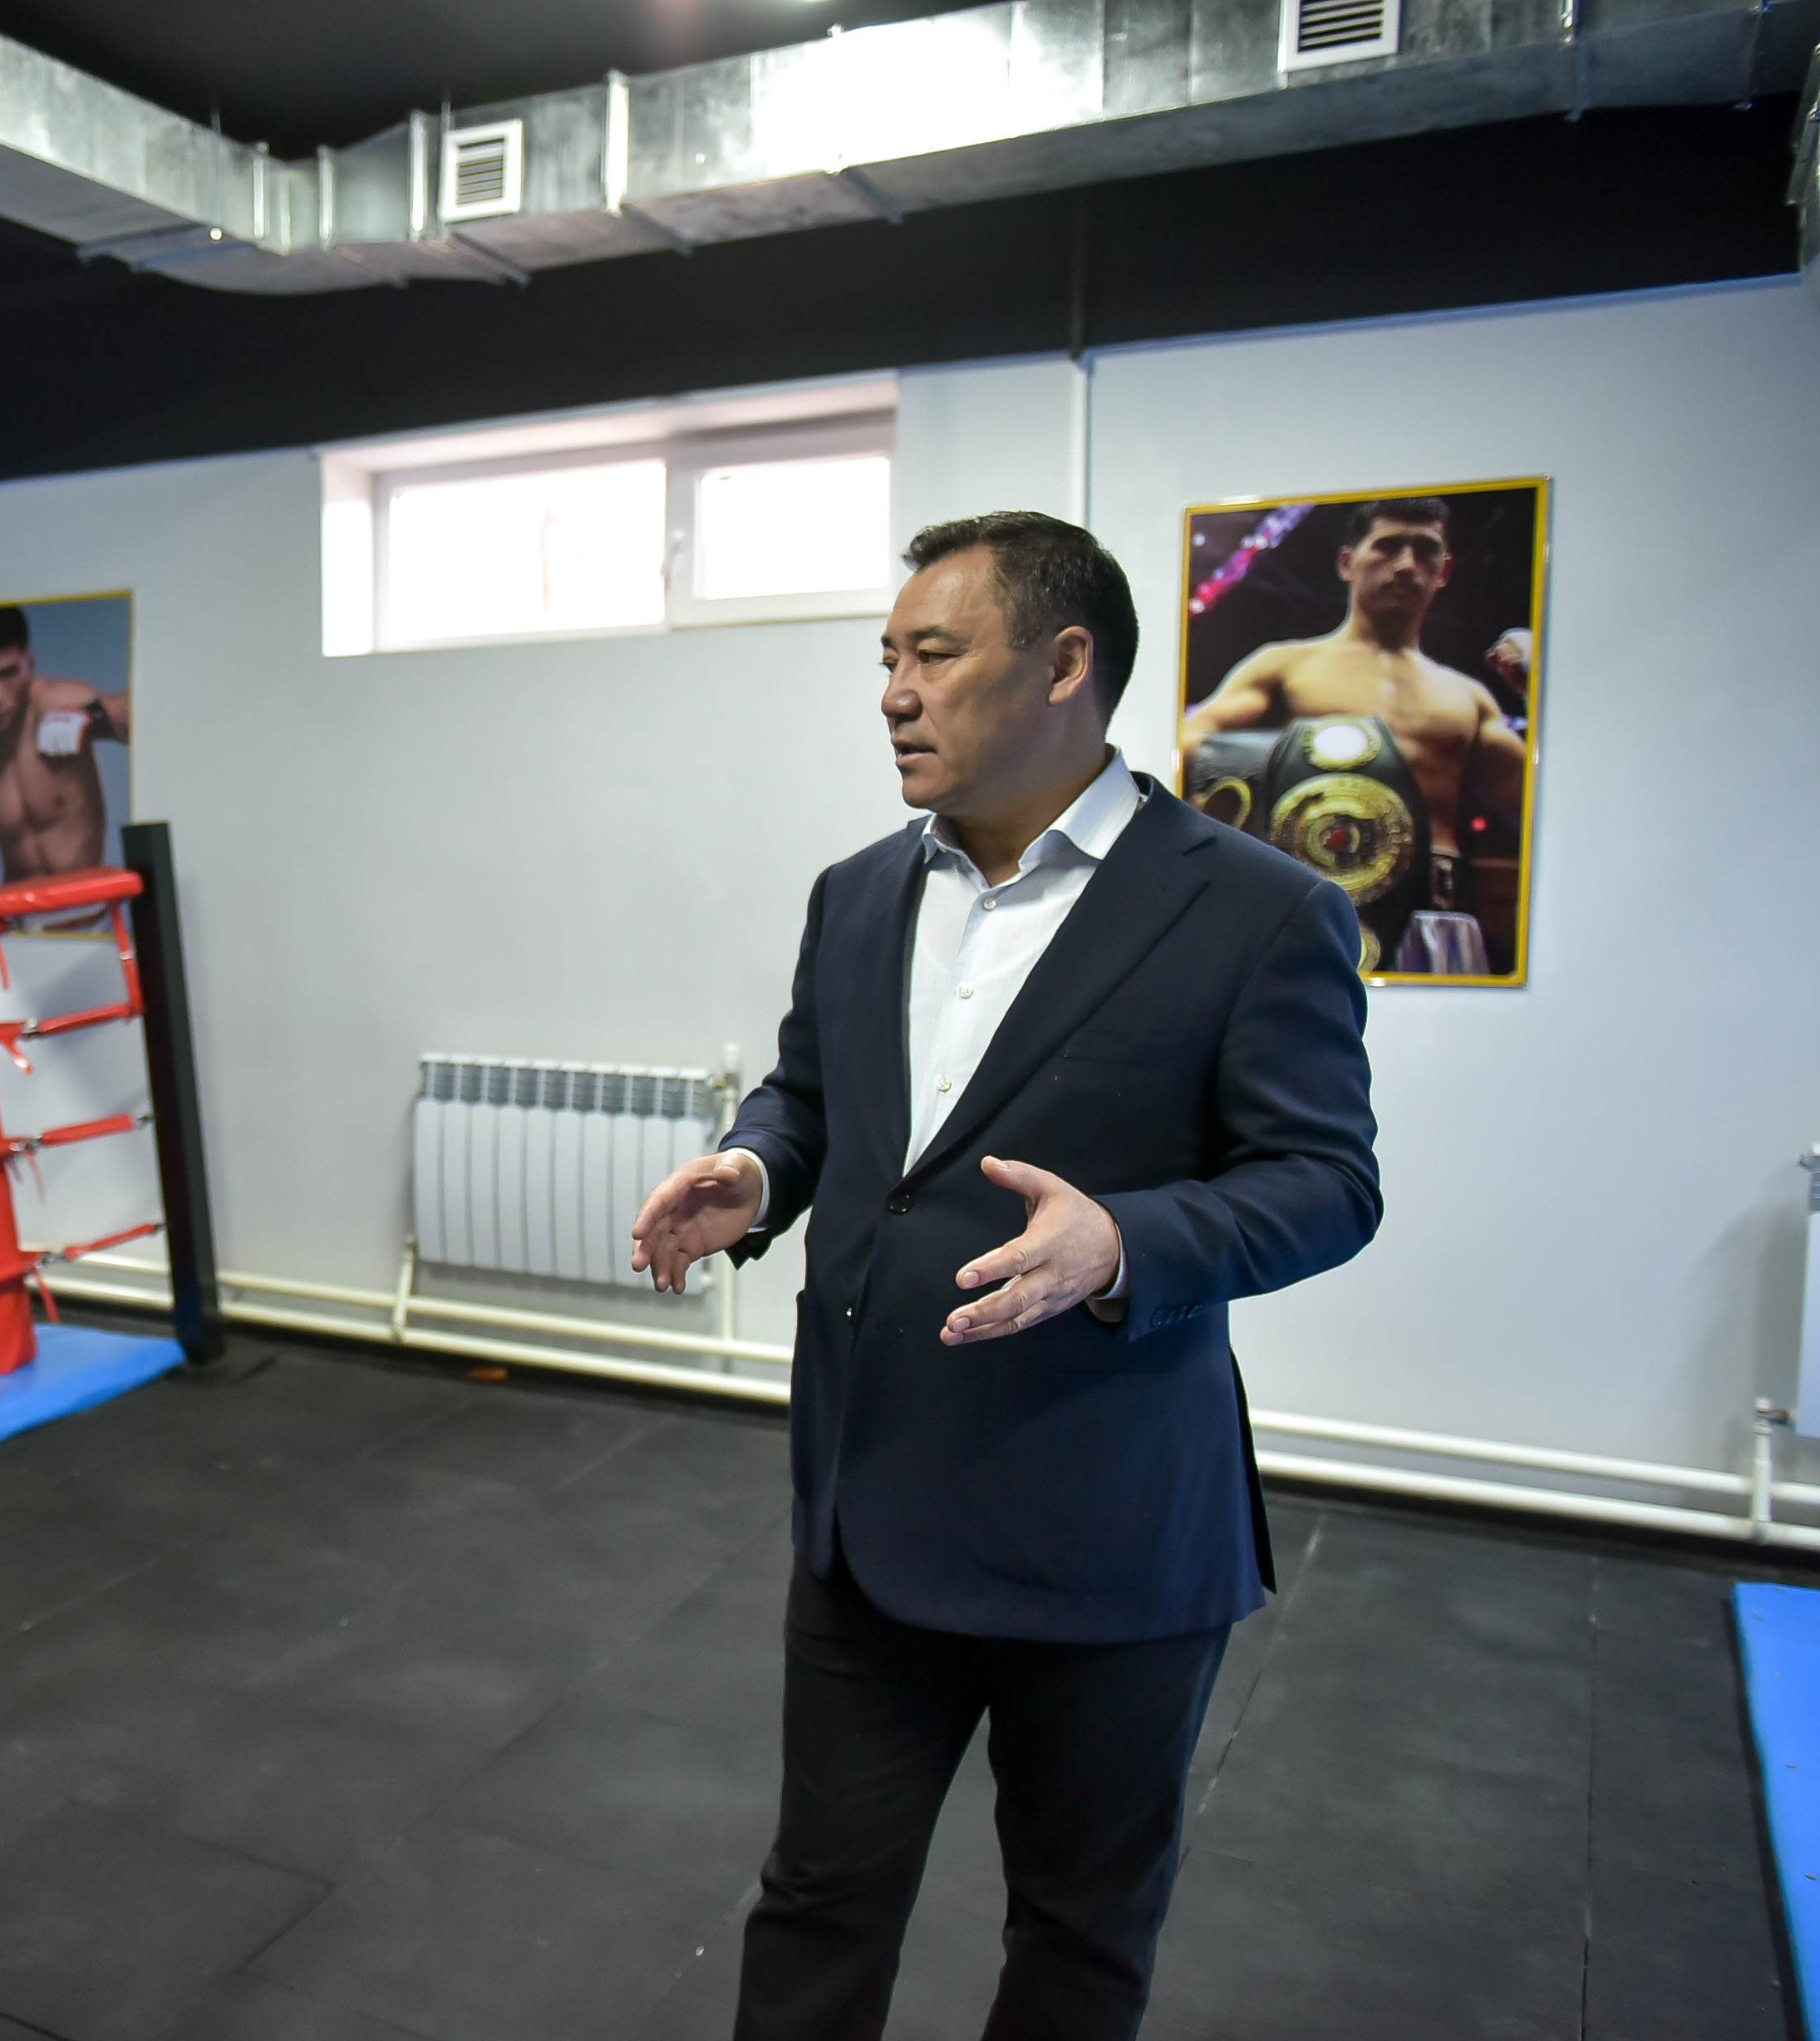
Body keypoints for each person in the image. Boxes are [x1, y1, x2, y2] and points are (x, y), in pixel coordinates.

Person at [631, 513, 1380, 2040]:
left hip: (1109, 1531)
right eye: (885, 660)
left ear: (1063, 664)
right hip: (870, 1515)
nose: (893, 693)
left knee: (1080, 1935)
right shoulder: (857, 893)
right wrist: (758, 1170)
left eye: (933, 653)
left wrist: (1128, 1241)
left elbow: (1325, 1184)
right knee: (819, 1900)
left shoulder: (1256, 910)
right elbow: (812, 1097)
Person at [1180, 499, 1528, 970]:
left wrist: (1539, 693)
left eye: (1425, 551)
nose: (1406, 564)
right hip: (1306, 905)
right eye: (1388, 546)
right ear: (1348, 562)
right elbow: (1186, 750)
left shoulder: (1468, 697)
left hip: (1434, 919)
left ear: (1444, 571)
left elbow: (1535, 804)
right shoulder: (1285, 666)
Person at [0, 603, 129, 884]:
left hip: (83, 906)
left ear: (29, 665)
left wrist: (90, 717)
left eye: (8, 673)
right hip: (17, 909)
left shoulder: (57, 703)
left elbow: (142, 712)